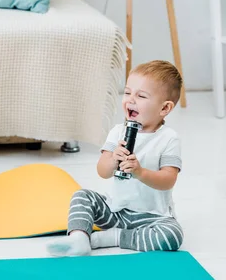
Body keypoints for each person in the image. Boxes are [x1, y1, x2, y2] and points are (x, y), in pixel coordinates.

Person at [46, 60, 184, 256]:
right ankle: (78, 239)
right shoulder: (118, 132)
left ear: (164, 109)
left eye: (141, 96)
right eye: (127, 93)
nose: (130, 100)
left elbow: (168, 180)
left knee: (172, 236)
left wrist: (140, 172)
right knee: (82, 196)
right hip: (117, 211)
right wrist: (112, 160)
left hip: (152, 218)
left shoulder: (168, 138)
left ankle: (109, 238)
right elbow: (102, 172)